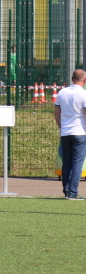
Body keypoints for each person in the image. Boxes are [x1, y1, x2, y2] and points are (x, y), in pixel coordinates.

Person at [54, 69, 86, 200]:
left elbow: (56, 112)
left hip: (65, 132)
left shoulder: (62, 92)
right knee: (77, 163)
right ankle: (73, 192)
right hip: (80, 132)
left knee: (66, 162)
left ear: (72, 79)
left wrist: (61, 127)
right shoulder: (84, 94)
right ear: (84, 81)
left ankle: (67, 191)